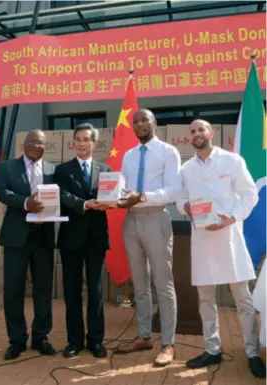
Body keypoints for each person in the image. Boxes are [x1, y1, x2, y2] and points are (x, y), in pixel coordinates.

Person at [176, 119, 266, 379]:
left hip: (229, 238)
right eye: (192, 131)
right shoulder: (187, 169)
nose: (196, 134)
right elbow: (181, 199)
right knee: (205, 299)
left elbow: (250, 194)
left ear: (211, 133)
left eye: (200, 129)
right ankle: (212, 348)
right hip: (202, 239)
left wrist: (233, 216)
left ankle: (251, 352)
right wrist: (187, 208)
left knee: (243, 298)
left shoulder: (232, 161)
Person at [116, 109, 181, 367]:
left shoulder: (168, 152)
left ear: (155, 123)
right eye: (136, 121)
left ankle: (168, 343)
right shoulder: (129, 155)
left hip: (156, 217)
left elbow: (174, 190)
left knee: (163, 284)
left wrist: (142, 196)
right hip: (131, 220)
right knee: (140, 285)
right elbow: (121, 185)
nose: (140, 124)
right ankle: (144, 336)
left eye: (145, 120)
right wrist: (114, 196)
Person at [0, 129, 56, 360]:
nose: (36, 146)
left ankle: (41, 338)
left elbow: (58, 197)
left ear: (45, 147)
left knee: (43, 289)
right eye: (32, 141)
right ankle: (17, 340)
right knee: (13, 290)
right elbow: (2, 192)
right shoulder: (7, 167)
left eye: (41, 143)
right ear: (24, 144)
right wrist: (24, 203)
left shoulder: (52, 169)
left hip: (43, 238)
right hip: (16, 237)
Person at [54, 123, 111, 359]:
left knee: (96, 292)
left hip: (96, 238)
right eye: (78, 139)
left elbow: (110, 195)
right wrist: (85, 204)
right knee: (72, 291)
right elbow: (63, 195)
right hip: (71, 239)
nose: (81, 143)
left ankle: (96, 341)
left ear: (94, 143)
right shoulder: (62, 169)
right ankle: (74, 341)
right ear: (73, 143)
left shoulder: (105, 169)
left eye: (86, 139)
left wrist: (114, 199)